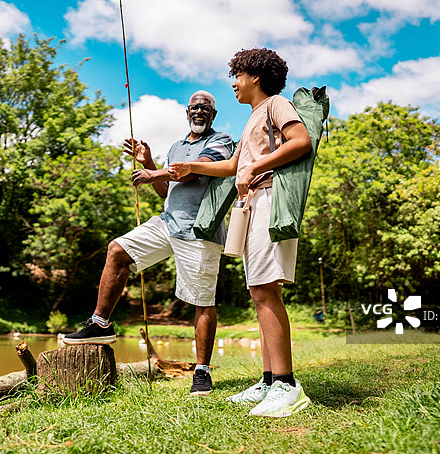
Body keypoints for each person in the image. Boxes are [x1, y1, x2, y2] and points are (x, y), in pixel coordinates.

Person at [169, 48, 312, 417]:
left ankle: (286, 385)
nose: (234, 82)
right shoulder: (253, 117)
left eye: (238, 75)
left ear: (256, 78)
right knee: (257, 290)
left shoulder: (276, 105)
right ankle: (268, 380)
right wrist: (188, 166)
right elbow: (235, 165)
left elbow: (300, 142)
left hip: (268, 201)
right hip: (251, 207)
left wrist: (255, 168)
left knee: (267, 290)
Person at [63, 90, 234, 396]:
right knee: (117, 249)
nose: (199, 111)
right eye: (194, 107)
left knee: (202, 300)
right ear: (187, 111)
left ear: (213, 114)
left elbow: (196, 170)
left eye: (205, 108)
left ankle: (202, 371)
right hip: (167, 222)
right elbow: (165, 192)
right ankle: (100, 323)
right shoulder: (177, 146)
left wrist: (153, 170)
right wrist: (150, 162)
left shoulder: (220, 140)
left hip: (200, 229)